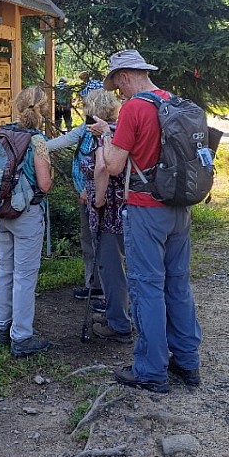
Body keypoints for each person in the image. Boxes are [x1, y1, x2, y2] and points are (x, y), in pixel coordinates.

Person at [99, 49, 202, 393]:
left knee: (147, 287)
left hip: (145, 209)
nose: (118, 93)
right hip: (179, 208)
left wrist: (105, 139)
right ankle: (187, 362)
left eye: (118, 86)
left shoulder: (134, 108)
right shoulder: (171, 102)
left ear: (126, 77)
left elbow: (114, 166)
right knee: (178, 284)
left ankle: (151, 369)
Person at [0, 86, 54, 358]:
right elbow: (44, 184)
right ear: (42, 110)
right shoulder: (37, 140)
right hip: (26, 214)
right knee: (25, 276)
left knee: (4, 269)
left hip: (0, 211)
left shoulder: (3, 132)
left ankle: (1, 325)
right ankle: (21, 336)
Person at [79, 90, 132, 344]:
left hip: (107, 211)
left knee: (111, 270)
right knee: (125, 266)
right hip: (125, 207)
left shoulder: (102, 135)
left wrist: (98, 200)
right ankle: (124, 315)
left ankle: (118, 324)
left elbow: (102, 167)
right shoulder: (119, 129)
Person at [45, 104, 111, 307]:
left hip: (100, 198)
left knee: (104, 243)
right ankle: (93, 284)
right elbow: (63, 141)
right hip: (87, 197)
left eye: (87, 107)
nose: (84, 111)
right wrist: (36, 141)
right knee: (88, 240)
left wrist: (89, 189)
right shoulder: (85, 129)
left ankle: (108, 293)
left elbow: (104, 166)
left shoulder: (109, 132)